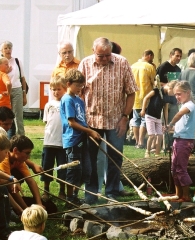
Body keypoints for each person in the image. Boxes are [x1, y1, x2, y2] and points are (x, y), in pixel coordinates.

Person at [78, 37, 138, 202]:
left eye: (107, 55)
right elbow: (79, 92)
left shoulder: (122, 63)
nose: (104, 59)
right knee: (90, 158)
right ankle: (91, 193)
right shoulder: (85, 63)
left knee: (115, 157)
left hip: (116, 120)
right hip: (92, 121)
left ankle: (111, 192)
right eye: (100, 56)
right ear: (93, 51)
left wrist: (125, 117)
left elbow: (131, 92)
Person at [60, 69, 101, 206]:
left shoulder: (79, 100)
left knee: (85, 170)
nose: (80, 88)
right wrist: (89, 131)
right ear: (68, 83)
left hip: (82, 139)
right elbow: (71, 122)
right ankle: (70, 198)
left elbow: (82, 119)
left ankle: (76, 196)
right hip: (73, 140)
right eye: (77, 85)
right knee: (73, 170)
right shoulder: (67, 99)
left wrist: (90, 131)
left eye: (81, 86)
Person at [164, 81, 195, 201]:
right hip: (178, 140)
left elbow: (179, 115)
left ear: (187, 93)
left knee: (181, 169)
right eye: (175, 95)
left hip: (185, 141)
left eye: (179, 94)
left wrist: (170, 123)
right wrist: (170, 128)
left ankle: (186, 196)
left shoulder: (190, 105)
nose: (177, 97)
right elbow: (181, 125)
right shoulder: (183, 104)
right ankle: (178, 194)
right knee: (174, 168)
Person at [0, 135, 43, 212]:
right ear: (15, 150)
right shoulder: (4, 159)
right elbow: (11, 187)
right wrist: (26, 210)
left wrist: (39, 203)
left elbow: (30, 181)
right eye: (27, 153)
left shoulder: (19, 160)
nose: (29, 157)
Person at [40, 75, 68, 201]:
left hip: (63, 143)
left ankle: (62, 191)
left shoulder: (67, 102)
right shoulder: (49, 105)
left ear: (65, 89)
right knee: (47, 167)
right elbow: (47, 122)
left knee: (62, 168)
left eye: (59, 89)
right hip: (49, 142)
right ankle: (46, 190)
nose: (56, 92)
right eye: (53, 89)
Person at [141, 80, 177, 158]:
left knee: (160, 135)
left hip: (158, 118)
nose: (174, 95)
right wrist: (143, 109)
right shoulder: (157, 90)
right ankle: (147, 152)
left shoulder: (166, 96)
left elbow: (165, 109)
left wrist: (166, 122)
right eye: (174, 92)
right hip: (150, 115)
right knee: (152, 135)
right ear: (170, 88)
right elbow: (146, 98)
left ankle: (157, 153)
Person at [0, 41, 27, 138]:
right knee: (4, 116)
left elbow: (23, 79)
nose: (8, 50)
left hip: (17, 90)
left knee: (18, 116)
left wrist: (24, 95)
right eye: (5, 48)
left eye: (10, 48)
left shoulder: (17, 61)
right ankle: (3, 139)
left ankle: (21, 140)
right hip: (4, 92)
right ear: (1, 51)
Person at [131, 49, 155, 149]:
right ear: (149, 56)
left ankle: (137, 142)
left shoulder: (132, 66)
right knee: (144, 120)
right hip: (147, 97)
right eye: (152, 58)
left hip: (134, 98)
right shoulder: (149, 67)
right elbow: (154, 82)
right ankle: (141, 142)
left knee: (136, 120)